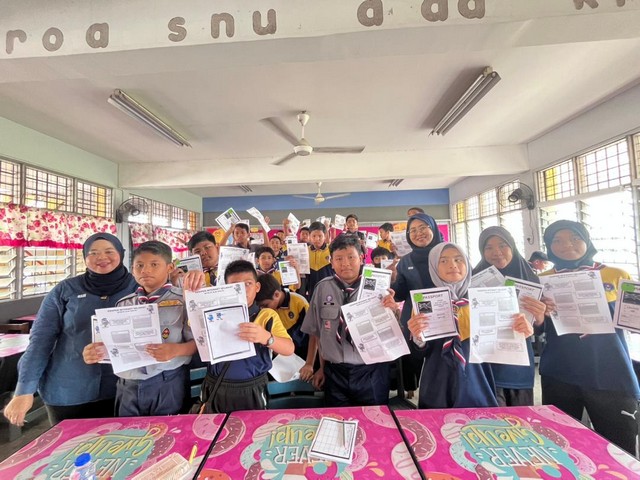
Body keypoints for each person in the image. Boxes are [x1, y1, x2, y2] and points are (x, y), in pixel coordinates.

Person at [3, 233, 138, 427]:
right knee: (69, 445)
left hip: (122, 390)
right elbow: (40, 341)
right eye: (93, 253)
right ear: (85, 257)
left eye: (109, 251)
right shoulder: (65, 290)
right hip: (68, 390)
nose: (102, 257)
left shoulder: (138, 287)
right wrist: (24, 390)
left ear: (121, 253)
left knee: (120, 443)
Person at [537, 220, 640, 455]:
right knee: (561, 446)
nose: (567, 245)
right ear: (549, 246)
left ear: (587, 240)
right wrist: (540, 314)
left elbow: (634, 320)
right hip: (560, 373)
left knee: (619, 450)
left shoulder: (616, 275)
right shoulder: (543, 279)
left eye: (575, 238)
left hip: (610, 372)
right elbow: (537, 329)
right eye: (557, 241)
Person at [408, 243, 532, 408]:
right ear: (433, 267)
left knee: (479, 419)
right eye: (443, 261)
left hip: (477, 376)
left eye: (458, 259)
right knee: (437, 420)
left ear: (467, 263)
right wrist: (418, 338)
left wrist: (521, 332)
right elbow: (420, 353)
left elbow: (502, 343)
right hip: (438, 379)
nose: (452, 265)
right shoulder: (423, 301)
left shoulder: (485, 299)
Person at [83, 241, 196, 416]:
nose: (145, 270)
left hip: (167, 381)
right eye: (139, 265)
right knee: (129, 431)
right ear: (132, 269)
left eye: (154, 264)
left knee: (167, 429)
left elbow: (198, 343)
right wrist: (96, 352)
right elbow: (113, 345)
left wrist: (176, 350)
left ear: (170, 268)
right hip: (128, 384)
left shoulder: (184, 300)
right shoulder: (123, 304)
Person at [301, 235, 399, 407]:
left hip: (372, 370)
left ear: (361, 258)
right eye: (339, 259)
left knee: (373, 418)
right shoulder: (322, 288)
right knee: (338, 418)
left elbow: (393, 331)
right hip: (335, 372)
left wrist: (394, 310)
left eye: (351, 257)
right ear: (331, 262)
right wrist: (320, 367)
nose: (345, 263)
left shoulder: (379, 286)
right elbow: (317, 332)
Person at [198, 260, 294, 413]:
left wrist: (266, 337)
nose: (242, 290)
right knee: (216, 426)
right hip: (217, 386)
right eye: (235, 286)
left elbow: (289, 349)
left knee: (252, 426)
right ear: (225, 288)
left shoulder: (266, 316)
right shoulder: (213, 314)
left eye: (248, 284)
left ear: (257, 287)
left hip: (252, 388)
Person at [472, 226, 546, 406]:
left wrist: (539, 317)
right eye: (488, 247)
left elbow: (539, 329)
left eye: (502, 245)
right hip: (485, 364)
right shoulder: (473, 280)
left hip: (517, 365)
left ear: (512, 247)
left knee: (519, 419)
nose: (496, 252)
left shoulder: (530, 279)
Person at [390, 213, 443, 399]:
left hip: (444, 318)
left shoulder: (446, 254)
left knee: (441, 361)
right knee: (414, 357)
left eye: (422, 228)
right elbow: (400, 293)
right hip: (415, 319)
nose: (418, 233)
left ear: (433, 228)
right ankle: (412, 389)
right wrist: (392, 280)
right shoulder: (406, 261)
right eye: (412, 230)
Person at [255, 273, 313, 377]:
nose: (263, 309)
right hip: (279, 361)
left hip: (304, 356)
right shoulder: (265, 311)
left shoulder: (299, 302)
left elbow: (313, 335)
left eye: (265, 305)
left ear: (276, 295)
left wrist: (309, 363)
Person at [304, 221, 334, 301]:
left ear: (325, 236)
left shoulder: (332, 250)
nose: (317, 239)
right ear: (309, 236)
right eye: (314, 236)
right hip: (311, 290)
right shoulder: (305, 251)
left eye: (320, 236)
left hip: (330, 289)